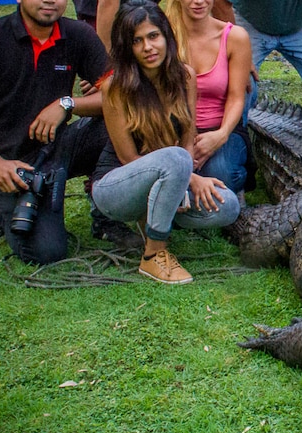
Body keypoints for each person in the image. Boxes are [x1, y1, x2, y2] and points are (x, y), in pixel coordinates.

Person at [0, 0, 139, 265]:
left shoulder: (78, 35)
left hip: (59, 147)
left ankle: (105, 216)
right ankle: (4, 208)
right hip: (11, 165)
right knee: (45, 253)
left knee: (126, 124)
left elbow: (119, 97)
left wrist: (67, 104)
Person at [92, 0, 240, 284]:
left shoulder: (185, 77)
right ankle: (154, 254)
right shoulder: (115, 87)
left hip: (170, 173)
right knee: (176, 159)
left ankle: (157, 217)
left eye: (153, 36)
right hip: (116, 188)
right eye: (137, 41)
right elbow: (128, 158)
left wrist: (188, 179)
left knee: (229, 205)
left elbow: (188, 139)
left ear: (166, 37)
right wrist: (188, 177)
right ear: (128, 47)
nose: (148, 47)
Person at [213, 0, 302, 126]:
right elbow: (220, 2)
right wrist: (238, 52)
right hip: (249, 21)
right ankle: (238, 139)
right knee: (239, 78)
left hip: (301, 23)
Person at [166, 0, 253, 195]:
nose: (198, 1)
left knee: (222, 173)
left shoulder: (235, 37)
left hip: (220, 126)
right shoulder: (163, 34)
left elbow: (236, 97)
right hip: (174, 127)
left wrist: (220, 136)